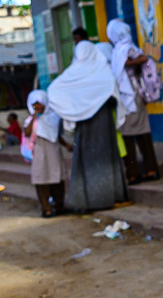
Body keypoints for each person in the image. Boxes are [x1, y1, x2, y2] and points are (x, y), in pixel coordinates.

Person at [48, 40, 128, 211]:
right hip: (103, 122)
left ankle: (86, 201)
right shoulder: (104, 72)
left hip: (84, 126)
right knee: (106, 159)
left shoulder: (71, 75)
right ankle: (111, 197)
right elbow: (114, 94)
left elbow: (53, 91)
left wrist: (75, 110)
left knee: (86, 161)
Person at [107, 18, 159, 184]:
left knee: (131, 136)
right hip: (130, 97)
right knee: (140, 134)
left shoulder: (122, 49)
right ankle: (146, 170)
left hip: (129, 96)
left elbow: (134, 62)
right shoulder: (122, 49)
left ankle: (135, 173)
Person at [26, 90, 72, 217]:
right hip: (40, 152)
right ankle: (46, 207)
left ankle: (59, 205)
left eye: (40, 104)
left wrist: (67, 145)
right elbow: (27, 133)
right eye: (35, 105)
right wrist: (35, 115)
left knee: (57, 178)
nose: (38, 107)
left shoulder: (53, 117)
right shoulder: (30, 120)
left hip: (53, 151)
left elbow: (56, 135)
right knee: (41, 179)